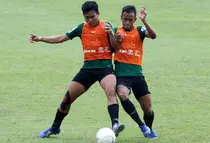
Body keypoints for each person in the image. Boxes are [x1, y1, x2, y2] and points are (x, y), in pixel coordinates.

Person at [29, 1, 124, 138]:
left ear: (98, 14)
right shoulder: (81, 28)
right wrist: (41, 38)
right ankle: (55, 127)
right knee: (67, 99)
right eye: (87, 17)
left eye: (93, 16)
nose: (90, 20)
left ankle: (115, 125)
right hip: (87, 69)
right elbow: (61, 38)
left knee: (110, 92)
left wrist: (111, 35)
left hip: (105, 69)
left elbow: (116, 48)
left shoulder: (107, 26)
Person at [114, 5, 158, 138]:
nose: (127, 22)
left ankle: (149, 129)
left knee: (148, 109)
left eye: (130, 20)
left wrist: (144, 20)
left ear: (135, 20)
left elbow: (153, 35)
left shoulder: (140, 30)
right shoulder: (116, 31)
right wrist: (116, 39)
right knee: (122, 95)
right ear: (121, 17)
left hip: (138, 75)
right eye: (125, 19)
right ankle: (142, 126)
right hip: (122, 76)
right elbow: (111, 46)